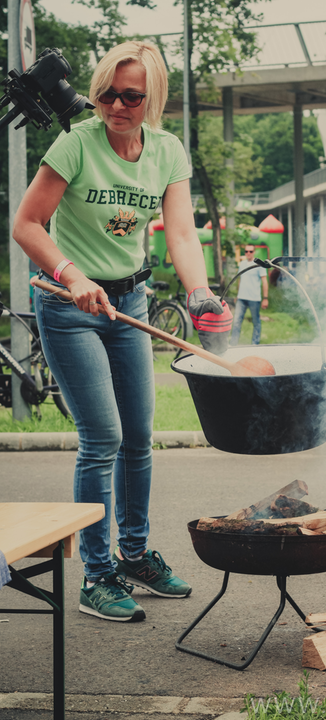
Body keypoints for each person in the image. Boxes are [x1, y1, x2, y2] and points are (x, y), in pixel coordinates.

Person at [12, 40, 232, 623]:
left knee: (138, 436)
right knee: (103, 438)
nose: (116, 106)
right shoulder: (76, 143)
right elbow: (27, 224)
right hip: (70, 305)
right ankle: (96, 573)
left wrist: (200, 292)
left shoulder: (167, 151)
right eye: (107, 93)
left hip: (129, 301)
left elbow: (180, 234)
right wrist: (72, 275)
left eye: (131, 97)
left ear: (151, 98)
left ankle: (133, 555)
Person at [229, 244, 268, 346]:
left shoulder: (259, 265)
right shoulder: (242, 264)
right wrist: (237, 295)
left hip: (254, 298)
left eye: (250, 251)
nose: (248, 253)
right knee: (236, 321)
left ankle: (255, 344)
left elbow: (264, 281)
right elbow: (240, 279)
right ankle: (233, 344)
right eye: (246, 251)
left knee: (256, 322)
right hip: (241, 298)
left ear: (254, 252)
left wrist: (265, 298)